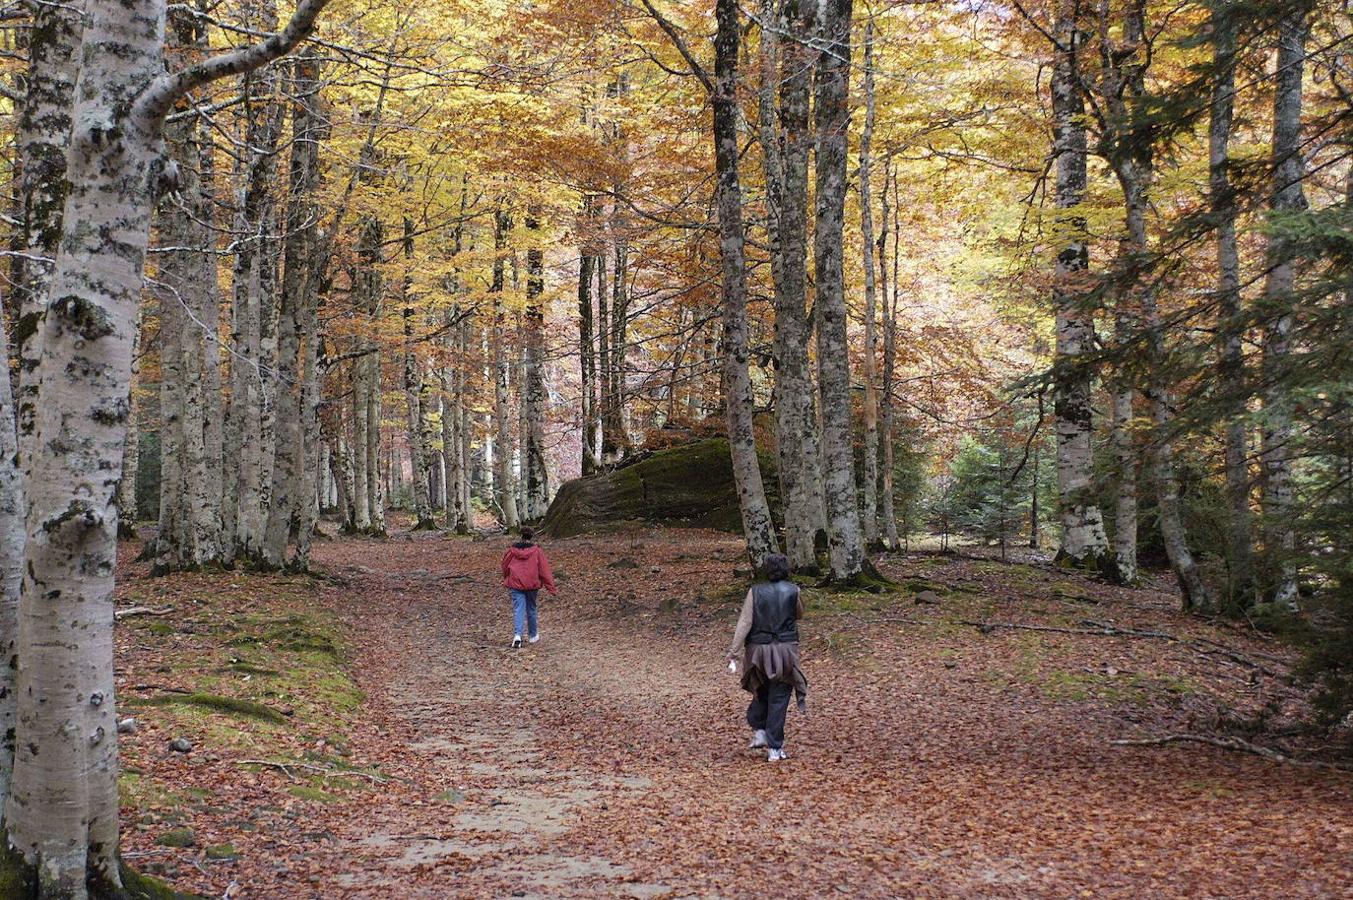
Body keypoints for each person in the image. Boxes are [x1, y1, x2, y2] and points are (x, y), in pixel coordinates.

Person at [726, 553, 808, 762]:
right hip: (785, 651)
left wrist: (734, 652)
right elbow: (799, 614)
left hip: (758, 652)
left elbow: (745, 622)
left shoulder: (755, 592)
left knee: (760, 689)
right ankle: (774, 747)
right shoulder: (793, 591)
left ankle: (760, 729)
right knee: (779, 697)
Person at [500, 526, 558, 648]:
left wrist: (506, 577)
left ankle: (517, 636)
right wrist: (551, 587)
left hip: (515, 583)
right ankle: (533, 635)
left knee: (518, 609)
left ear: (521, 536)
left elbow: (505, 566)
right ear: (532, 537)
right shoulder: (537, 551)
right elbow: (544, 570)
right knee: (531, 608)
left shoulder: (511, 551)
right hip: (532, 584)